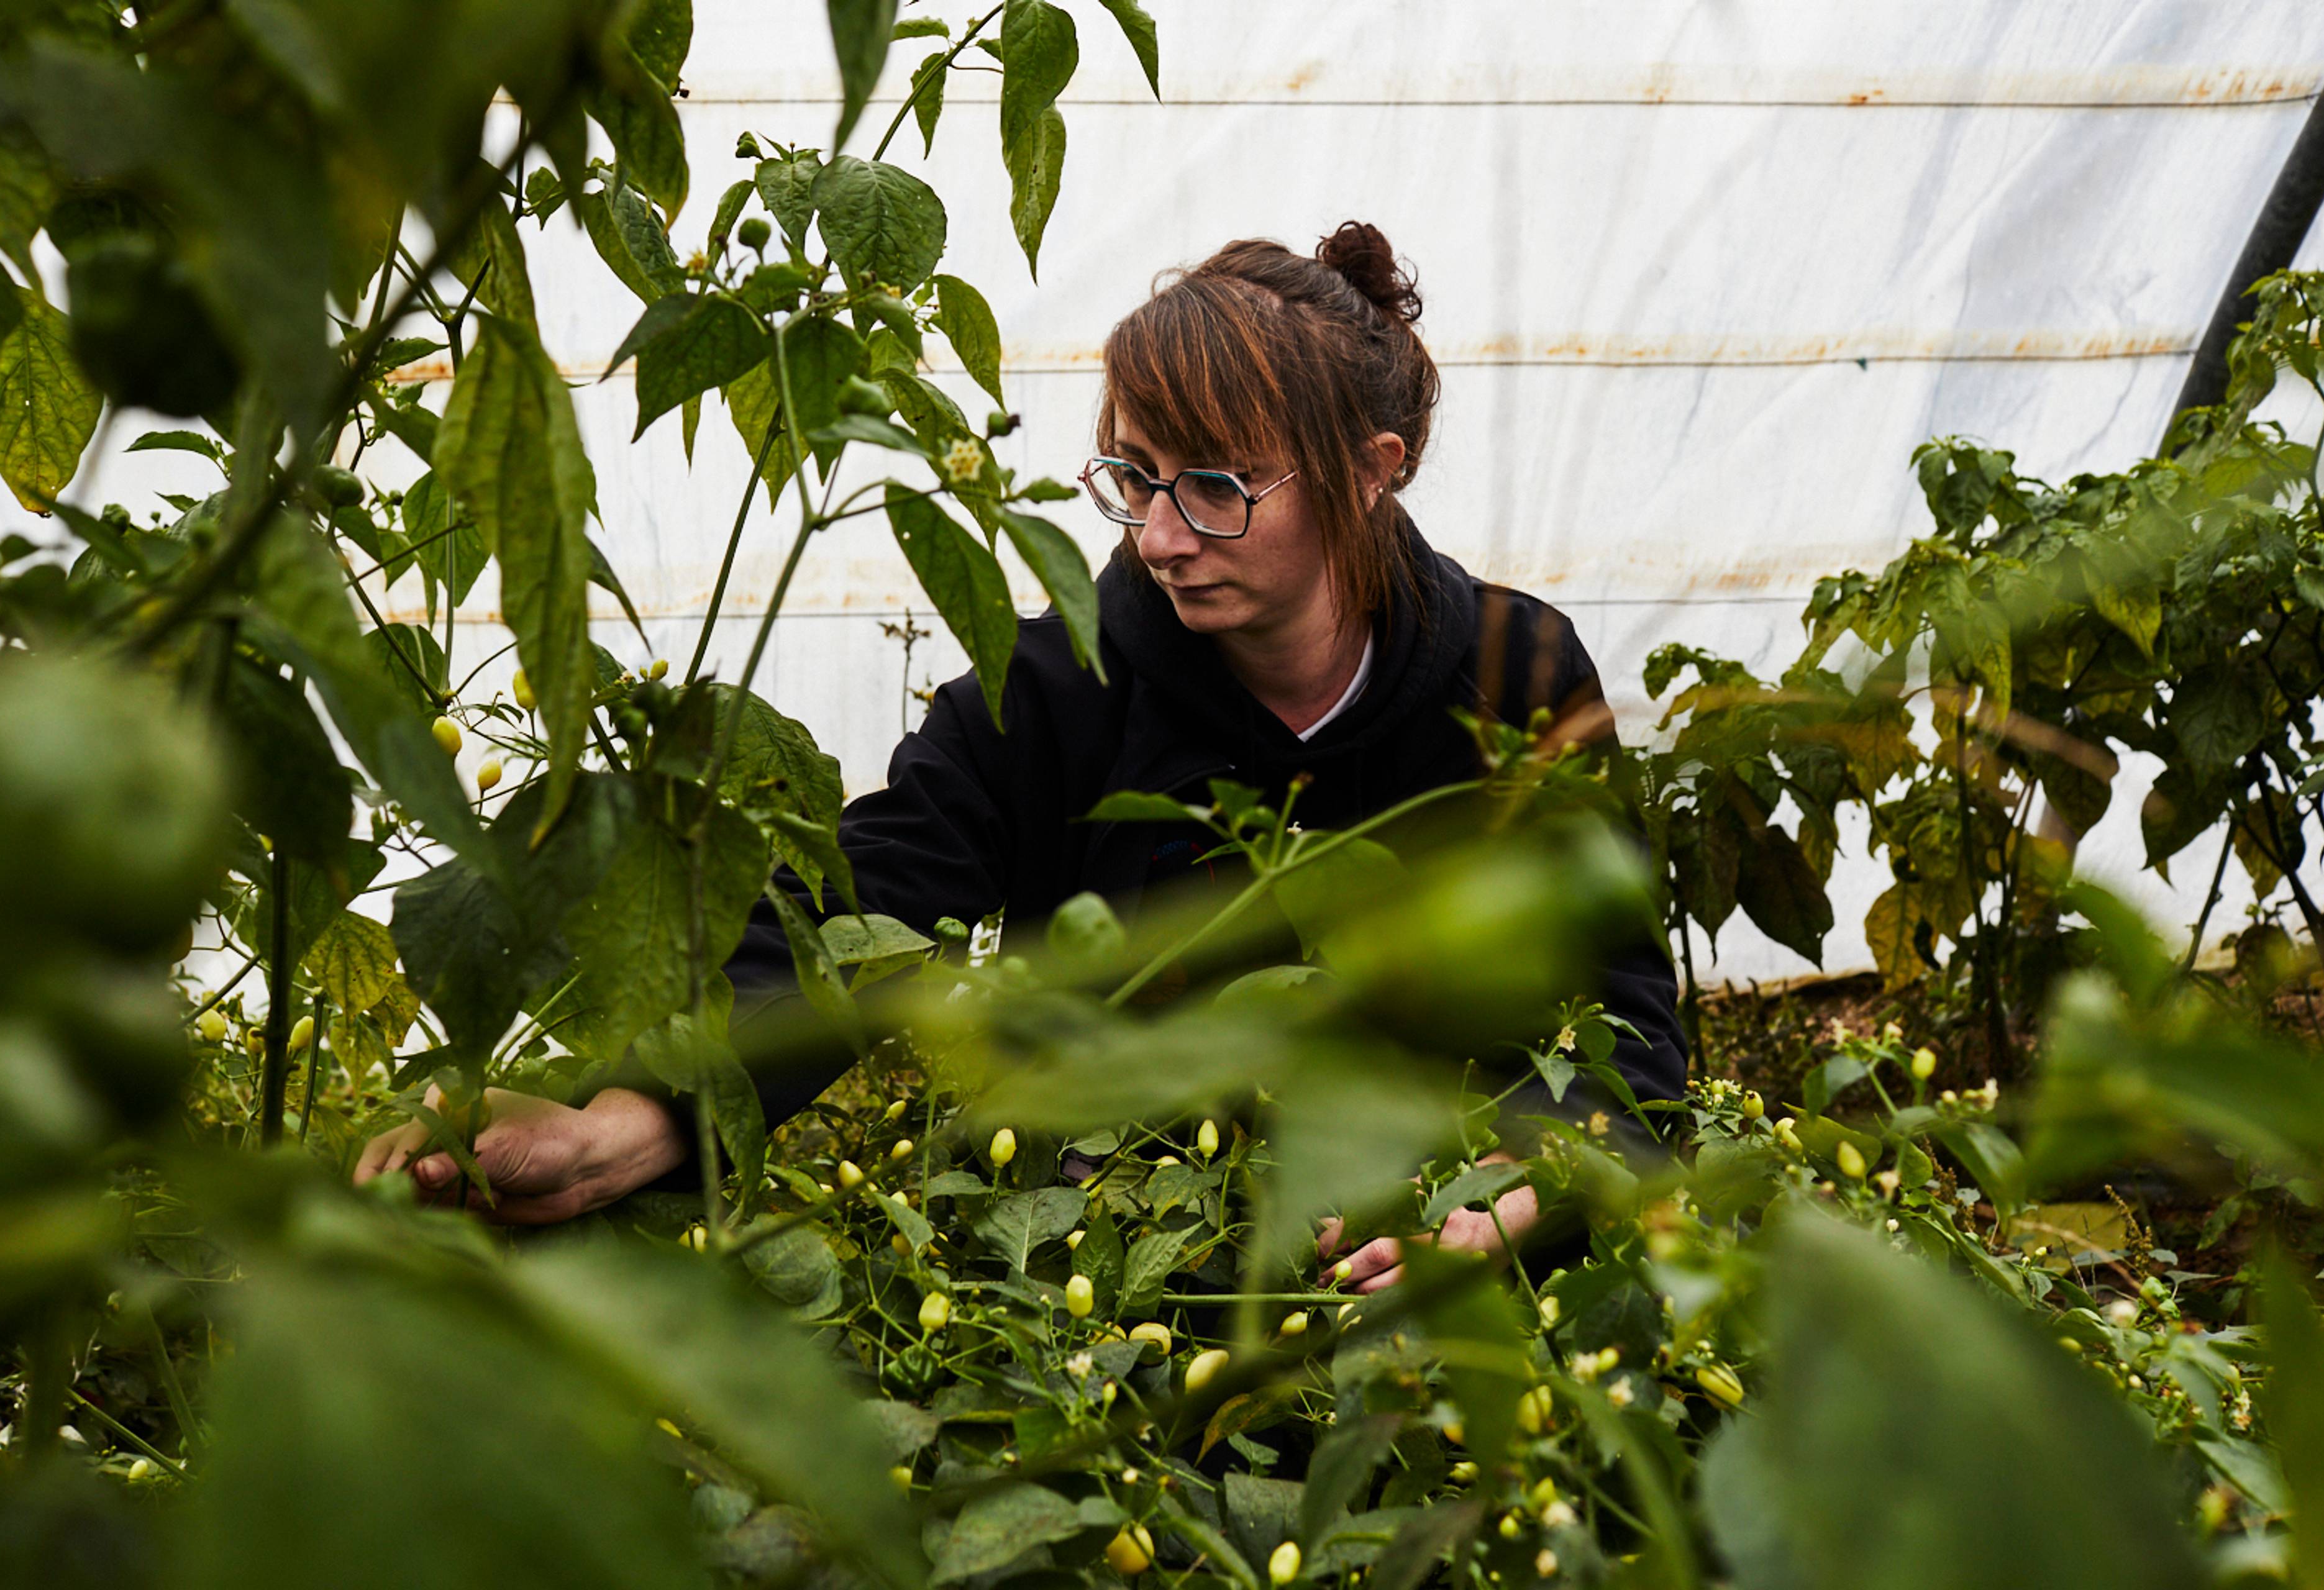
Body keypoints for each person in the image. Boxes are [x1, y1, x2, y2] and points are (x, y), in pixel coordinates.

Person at [355, 222, 1689, 1290]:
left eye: (1219, 485)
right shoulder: (1063, 680)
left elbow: (1621, 1005)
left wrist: (1520, 1204)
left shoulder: (1513, 676)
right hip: (1119, 1263)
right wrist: (613, 1128)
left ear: (1370, 468)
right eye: (1137, 474)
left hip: (1427, 1225)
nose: (1161, 537)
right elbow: (857, 913)